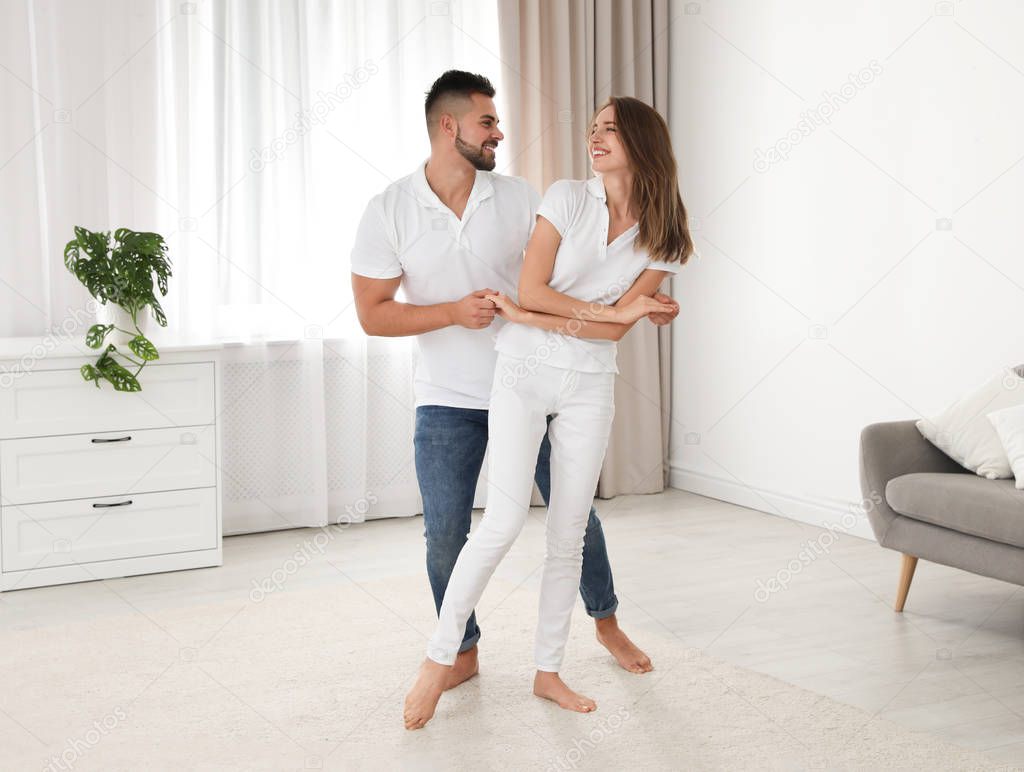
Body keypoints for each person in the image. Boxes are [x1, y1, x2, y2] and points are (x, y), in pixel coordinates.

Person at [349, 71, 678, 719]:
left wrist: (570, 315)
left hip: (576, 376)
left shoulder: (527, 196)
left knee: (573, 527)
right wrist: (595, 315)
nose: (500, 132)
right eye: (487, 122)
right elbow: (380, 313)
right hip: (482, 380)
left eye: (607, 127)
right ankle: (448, 655)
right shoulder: (395, 208)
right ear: (451, 127)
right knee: (471, 529)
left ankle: (566, 653)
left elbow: (570, 296)